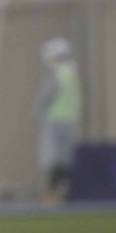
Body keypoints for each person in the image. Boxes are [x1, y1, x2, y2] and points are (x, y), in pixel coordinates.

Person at [35, 37, 82, 203]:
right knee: (64, 158)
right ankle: (62, 189)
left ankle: (52, 193)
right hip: (70, 120)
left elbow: (47, 96)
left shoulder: (57, 73)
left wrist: (38, 110)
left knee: (53, 158)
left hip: (55, 120)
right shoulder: (72, 72)